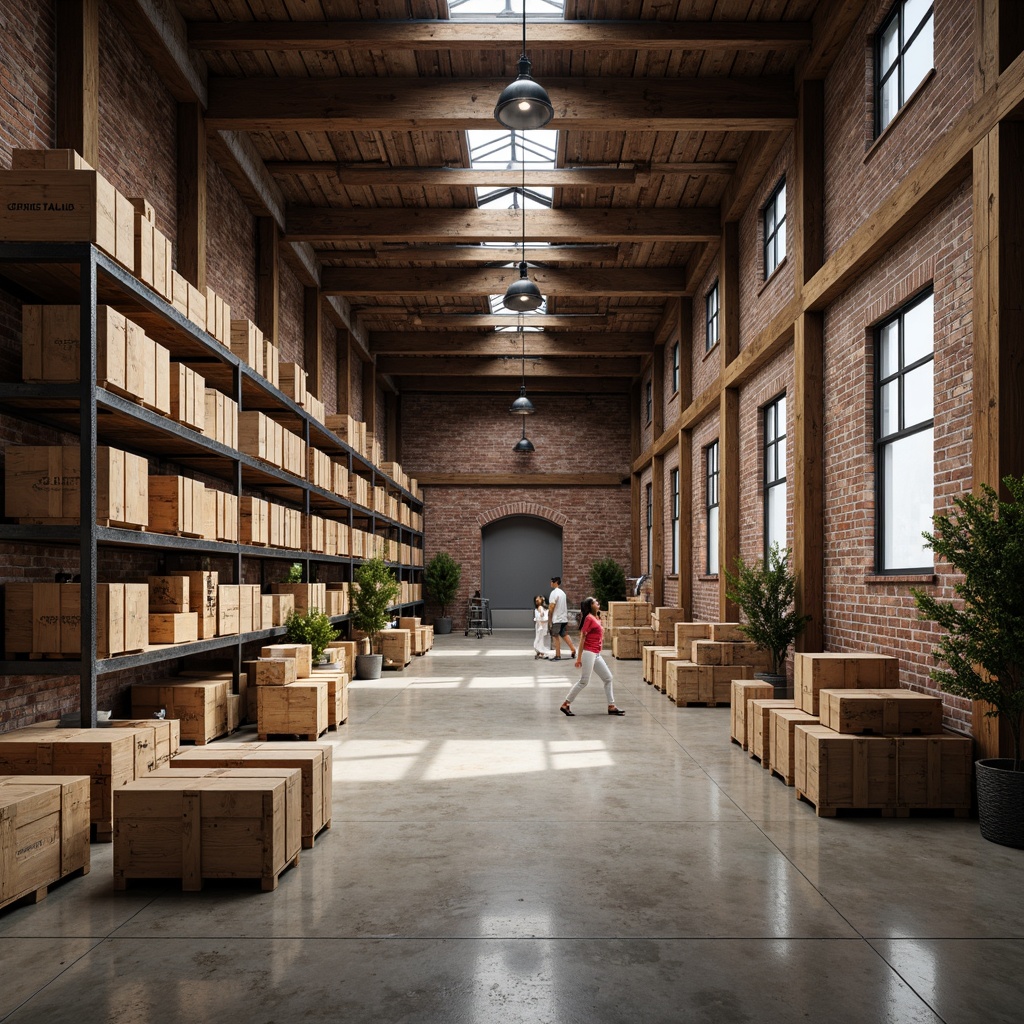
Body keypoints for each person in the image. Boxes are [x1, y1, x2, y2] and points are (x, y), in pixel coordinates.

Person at [559, 597, 625, 716]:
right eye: (595, 602)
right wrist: (579, 658)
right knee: (584, 681)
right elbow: (582, 638)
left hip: (596, 654)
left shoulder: (597, 618)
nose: (597, 603)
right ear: (590, 606)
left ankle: (611, 706)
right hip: (589, 653)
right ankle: (566, 704)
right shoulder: (589, 618)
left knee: (608, 678)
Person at [547, 576, 577, 661]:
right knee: (563, 634)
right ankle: (573, 649)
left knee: (555, 635)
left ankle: (558, 655)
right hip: (564, 618)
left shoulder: (554, 593)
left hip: (557, 618)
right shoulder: (563, 593)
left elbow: (552, 606)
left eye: (551, 581)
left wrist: (550, 618)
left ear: (556, 582)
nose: (550, 583)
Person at [532, 595, 554, 659]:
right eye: (536, 600)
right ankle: (539, 650)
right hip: (541, 624)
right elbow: (540, 614)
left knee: (541, 638)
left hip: (543, 624)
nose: (537, 601)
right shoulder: (540, 607)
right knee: (539, 638)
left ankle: (540, 651)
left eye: (538, 599)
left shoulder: (543, 607)